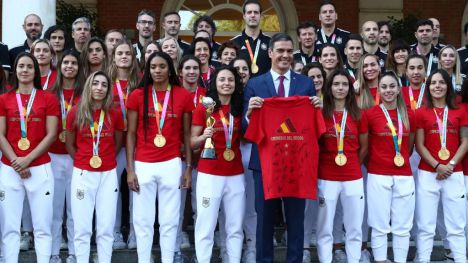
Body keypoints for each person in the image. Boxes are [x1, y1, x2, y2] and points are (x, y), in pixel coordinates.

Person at [243, 32, 321, 262]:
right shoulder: (255, 84)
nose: (285, 56)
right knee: (265, 218)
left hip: (297, 163)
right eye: (280, 51)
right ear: (270, 53)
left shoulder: (305, 84)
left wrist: (316, 107)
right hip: (265, 163)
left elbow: (309, 125)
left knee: (296, 219)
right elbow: (247, 128)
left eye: (289, 51)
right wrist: (249, 114)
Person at [126, 51, 192, 263]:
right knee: (142, 220)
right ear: (147, 69)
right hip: (143, 164)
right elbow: (131, 134)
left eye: (162, 66)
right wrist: (130, 169)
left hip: (172, 163)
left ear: (169, 68)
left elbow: (188, 134)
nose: (157, 70)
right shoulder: (138, 95)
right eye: (153, 67)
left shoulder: (182, 95)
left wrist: (189, 167)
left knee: (170, 220)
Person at [0, 52, 59, 263]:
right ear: (15, 70)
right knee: (9, 226)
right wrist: (17, 161)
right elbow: (0, 134)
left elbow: (52, 134)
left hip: (40, 167)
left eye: (29, 67)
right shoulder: (4, 99)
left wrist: (27, 159)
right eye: (21, 66)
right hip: (9, 168)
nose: (24, 70)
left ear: (36, 71)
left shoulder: (48, 98)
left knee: (42, 226)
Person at [66, 71, 124, 263]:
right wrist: (84, 161)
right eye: (96, 83)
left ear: (108, 90)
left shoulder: (114, 112)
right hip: (83, 173)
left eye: (104, 85)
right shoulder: (76, 111)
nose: (99, 88)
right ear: (89, 86)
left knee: (106, 226)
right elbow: (70, 143)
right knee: (82, 227)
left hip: (108, 173)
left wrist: (104, 159)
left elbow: (117, 142)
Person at [191, 65, 245, 262]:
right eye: (222, 79)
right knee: (206, 224)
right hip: (209, 173)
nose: (226, 83)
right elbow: (191, 142)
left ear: (236, 84)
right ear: (214, 83)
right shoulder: (205, 108)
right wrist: (204, 136)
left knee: (235, 226)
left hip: (235, 174)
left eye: (230, 80)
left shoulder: (240, 108)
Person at [415, 69, 468, 263]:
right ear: (428, 88)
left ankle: (461, 259)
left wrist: (450, 164)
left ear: (448, 86)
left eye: (441, 83)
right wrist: (437, 165)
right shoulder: (421, 112)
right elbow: (419, 145)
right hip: (429, 173)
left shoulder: (459, 110)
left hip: (454, 173)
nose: (437, 86)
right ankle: (423, 259)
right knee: (426, 225)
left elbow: (466, 141)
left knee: (456, 225)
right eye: (433, 83)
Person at [316, 69, 366, 263]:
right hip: (326, 177)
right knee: (325, 227)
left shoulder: (358, 114)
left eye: (345, 84)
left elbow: (364, 146)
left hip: (353, 177)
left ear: (350, 88)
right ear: (329, 88)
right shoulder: (321, 113)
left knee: (354, 227)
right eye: (336, 84)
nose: (340, 88)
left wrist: (352, 164)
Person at [366, 72, 415, 263]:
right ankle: (380, 260)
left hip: (403, 175)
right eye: (384, 87)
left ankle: (400, 260)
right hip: (378, 174)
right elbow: (366, 145)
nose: (388, 90)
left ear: (398, 89)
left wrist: (399, 158)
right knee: (379, 225)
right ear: (378, 90)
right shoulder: (370, 114)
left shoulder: (409, 114)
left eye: (392, 86)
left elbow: (409, 145)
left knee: (402, 226)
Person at [48, 49, 82, 263]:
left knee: (75, 208)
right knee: (54, 208)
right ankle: (52, 252)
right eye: (65, 63)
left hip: (77, 155)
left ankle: (74, 252)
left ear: (79, 68)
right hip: (53, 155)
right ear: (59, 67)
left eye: (73, 63)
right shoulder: (50, 93)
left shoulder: (84, 93)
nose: (69, 66)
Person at [108, 39, 140, 251]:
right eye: (120, 53)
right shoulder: (105, 83)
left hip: (138, 142)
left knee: (137, 187)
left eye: (128, 53)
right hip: (113, 143)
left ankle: (136, 232)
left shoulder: (140, 82)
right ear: (114, 56)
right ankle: (116, 230)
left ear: (133, 57)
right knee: (113, 188)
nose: (124, 56)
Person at [232, 0, 272, 77]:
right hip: (242, 88)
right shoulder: (234, 42)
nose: (253, 15)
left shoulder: (270, 42)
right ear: (244, 16)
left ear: (260, 15)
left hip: (264, 88)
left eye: (256, 12)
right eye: (249, 12)